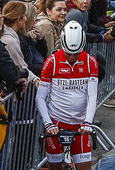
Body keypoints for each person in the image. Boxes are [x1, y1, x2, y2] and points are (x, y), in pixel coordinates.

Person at [39, 20, 101, 170]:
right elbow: (40, 97)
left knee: (84, 167)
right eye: (68, 53)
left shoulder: (90, 62)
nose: (72, 57)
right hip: (56, 123)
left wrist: (87, 122)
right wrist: (48, 124)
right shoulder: (51, 62)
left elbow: (92, 96)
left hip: (80, 125)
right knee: (55, 166)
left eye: (76, 53)